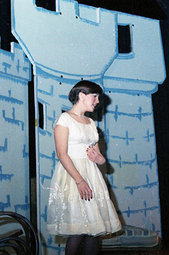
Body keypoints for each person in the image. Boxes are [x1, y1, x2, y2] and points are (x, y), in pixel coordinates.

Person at [46, 80, 122, 255]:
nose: (97, 101)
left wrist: (100, 159)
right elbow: (62, 154)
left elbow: (99, 158)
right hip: (73, 177)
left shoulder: (90, 123)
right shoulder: (64, 119)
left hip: (92, 176)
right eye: (94, 96)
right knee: (78, 230)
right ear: (81, 95)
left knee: (93, 231)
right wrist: (80, 181)